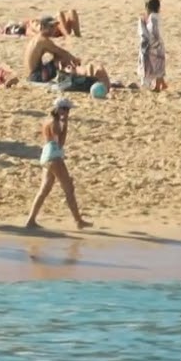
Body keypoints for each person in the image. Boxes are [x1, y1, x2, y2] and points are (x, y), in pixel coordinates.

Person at [25, 97, 92, 230]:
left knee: (44, 189)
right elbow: (60, 142)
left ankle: (31, 220)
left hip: (46, 154)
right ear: (59, 109)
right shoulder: (55, 123)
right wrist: (65, 124)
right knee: (68, 189)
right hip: (54, 155)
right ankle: (78, 221)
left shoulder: (47, 121)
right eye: (66, 109)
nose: (68, 112)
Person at [23, 27, 111, 92]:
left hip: (33, 75)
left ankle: (71, 71)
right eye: (53, 27)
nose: (55, 29)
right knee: (61, 58)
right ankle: (70, 73)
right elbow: (61, 53)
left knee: (60, 59)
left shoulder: (36, 39)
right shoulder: (43, 40)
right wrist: (74, 60)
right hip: (36, 76)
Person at [138, 0, 167, 92]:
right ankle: (161, 83)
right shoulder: (155, 17)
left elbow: (153, 32)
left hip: (155, 46)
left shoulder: (153, 18)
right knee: (159, 65)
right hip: (159, 46)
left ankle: (158, 85)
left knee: (155, 65)